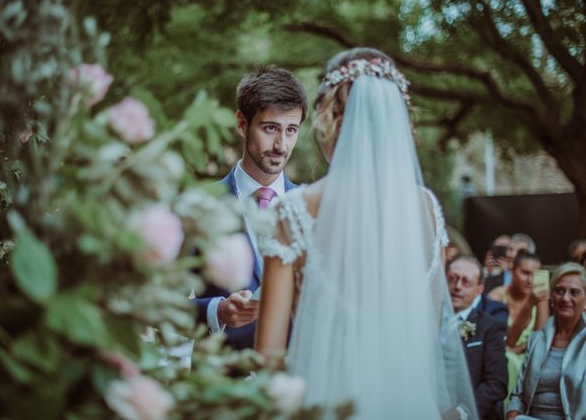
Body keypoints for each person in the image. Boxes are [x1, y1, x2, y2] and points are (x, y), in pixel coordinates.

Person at [255, 47, 478, 419]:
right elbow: (429, 334)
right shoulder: (425, 211)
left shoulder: (295, 210)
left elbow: (268, 359)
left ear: (328, 118)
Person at [193, 66, 307, 350]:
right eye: (270, 128)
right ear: (242, 123)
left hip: (298, 381)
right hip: (222, 383)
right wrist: (216, 311)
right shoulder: (200, 204)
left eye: (291, 130)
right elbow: (157, 303)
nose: (281, 145)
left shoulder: (312, 206)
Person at [506, 263, 586, 420]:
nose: (565, 298)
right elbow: (518, 396)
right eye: (559, 291)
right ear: (550, 296)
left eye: (574, 292)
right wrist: (512, 416)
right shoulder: (536, 339)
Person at [447, 256, 508, 419]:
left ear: (479, 289)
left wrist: (462, 413)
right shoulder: (428, 323)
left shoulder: (490, 327)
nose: (457, 287)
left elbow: (496, 383)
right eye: (452, 279)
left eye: (466, 282)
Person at [488, 251, 550, 396]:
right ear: (512, 270)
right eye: (525, 273)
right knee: (508, 361)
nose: (530, 280)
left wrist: (520, 348)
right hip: (500, 353)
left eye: (535, 275)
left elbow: (539, 339)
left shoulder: (540, 297)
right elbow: (506, 340)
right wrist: (529, 305)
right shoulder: (496, 296)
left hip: (529, 354)